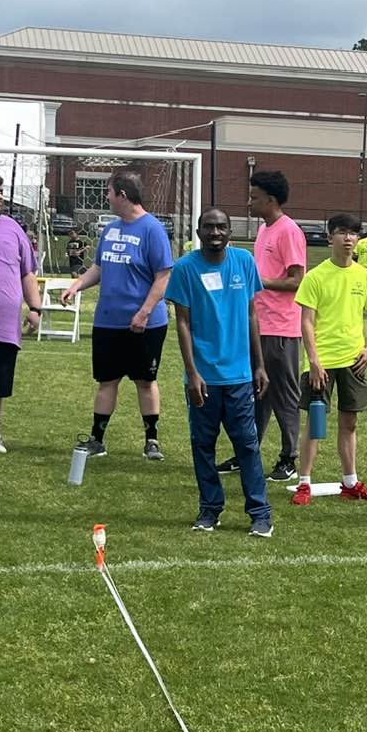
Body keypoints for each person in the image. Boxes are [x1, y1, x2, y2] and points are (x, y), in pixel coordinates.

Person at [165, 207, 272, 535]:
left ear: (229, 231)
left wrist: (259, 365)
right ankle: (210, 510)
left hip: (239, 377)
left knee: (247, 446)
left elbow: (252, 315)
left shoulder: (244, 261)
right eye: (209, 227)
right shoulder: (184, 268)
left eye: (221, 227)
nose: (215, 232)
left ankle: (260, 514)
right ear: (199, 232)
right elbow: (183, 323)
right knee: (203, 446)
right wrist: (192, 372)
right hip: (203, 379)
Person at [61, 170, 173, 460]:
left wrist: (144, 313)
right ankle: (97, 440)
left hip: (146, 324)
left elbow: (163, 276)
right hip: (108, 321)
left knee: (145, 381)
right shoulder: (110, 230)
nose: (107, 198)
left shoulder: (152, 229)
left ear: (122, 195)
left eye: (109, 193)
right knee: (107, 380)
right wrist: (76, 285)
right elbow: (99, 267)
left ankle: (152, 440)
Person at [217, 170, 306, 482]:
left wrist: (256, 281)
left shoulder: (288, 231)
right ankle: (247, 452)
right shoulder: (265, 230)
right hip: (258, 325)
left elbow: (297, 280)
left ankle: (289, 458)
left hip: (281, 329)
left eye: (254, 197)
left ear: (270, 200)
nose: (249, 202)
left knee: (284, 395)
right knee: (256, 393)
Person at [290, 213, 367, 506]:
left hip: (353, 361)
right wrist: (314, 360)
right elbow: (306, 321)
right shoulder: (316, 276)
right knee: (316, 422)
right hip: (322, 361)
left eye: (353, 233)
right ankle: (304, 482)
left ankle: (350, 482)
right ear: (330, 237)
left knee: (349, 422)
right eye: (342, 232)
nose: (348, 238)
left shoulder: (364, 277)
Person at [0, 173, 41, 454]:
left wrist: (35, 308)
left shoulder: (13, 228)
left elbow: (28, 272)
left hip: (4, 325)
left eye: (0, 190)